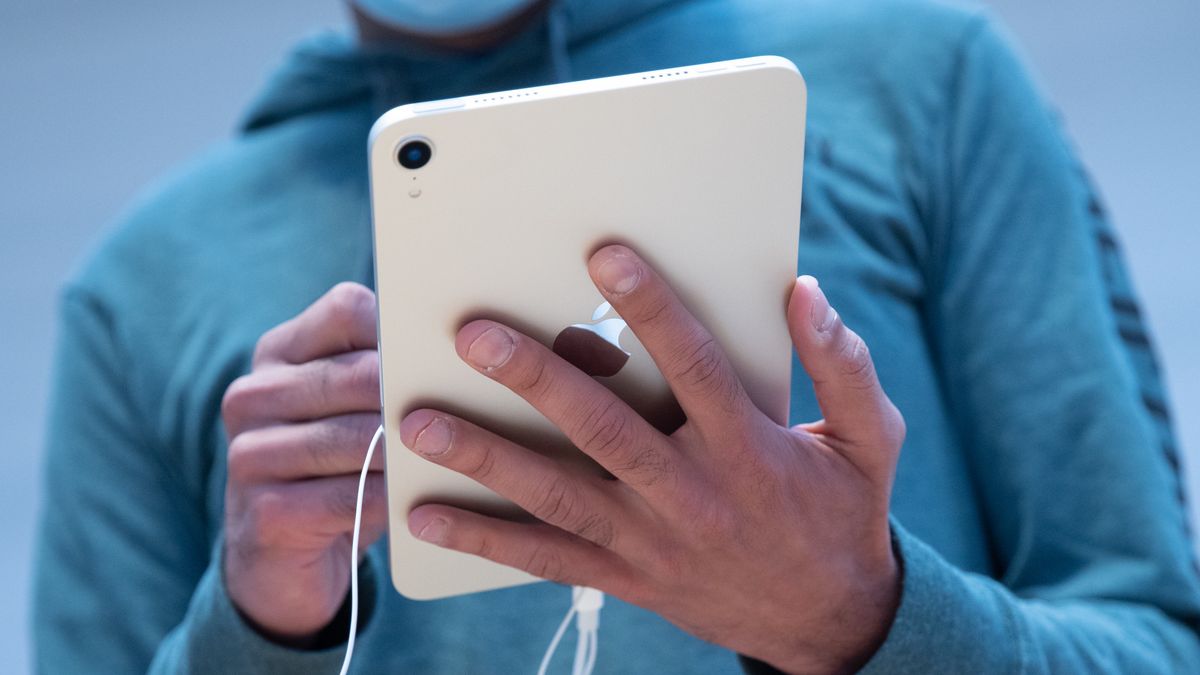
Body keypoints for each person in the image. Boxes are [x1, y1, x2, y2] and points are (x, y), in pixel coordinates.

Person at [32, 0, 1200, 672]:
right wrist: (254, 631)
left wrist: (855, 618)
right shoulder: (142, 284)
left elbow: (1158, 643)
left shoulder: (924, 82)